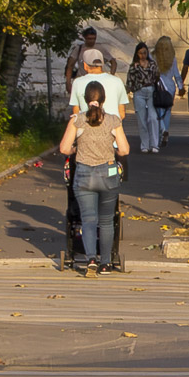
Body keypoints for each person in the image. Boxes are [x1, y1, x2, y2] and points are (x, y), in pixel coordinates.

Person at [58, 81, 129, 277]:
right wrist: (112, 149)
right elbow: (124, 150)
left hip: (84, 175)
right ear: (104, 99)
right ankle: (106, 263)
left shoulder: (77, 120)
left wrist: (75, 149)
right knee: (106, 220)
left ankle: (90, 260)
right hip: (108, 174)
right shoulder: (114, 121)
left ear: (85, 99)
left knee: (88, 219)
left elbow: (64, 148)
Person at [70, 48, 129, 119]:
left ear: (85, 65)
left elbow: (76, 112)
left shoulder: (77, 82)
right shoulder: (117, 81)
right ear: (102, 65)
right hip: (112, 124)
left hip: (87, 124)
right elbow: (122, 113)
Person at [125, 42, 161, 154]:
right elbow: (130, 81)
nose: (143, 55)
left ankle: (154, 144)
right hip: (139, 92)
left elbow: (157, 76)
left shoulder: (152, 64)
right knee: (142, 119)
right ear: (137, 53)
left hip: (151, 91)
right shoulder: (133, 66)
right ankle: (145, 144)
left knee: (153, 118)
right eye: (140, 53)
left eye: (145, 53)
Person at [64, 27, 117, 97]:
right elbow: (70, 65)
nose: (92, 41)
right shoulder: (79, 49)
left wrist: (111, 76)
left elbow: (113, 62)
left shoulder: (99, 48)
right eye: (89, 39)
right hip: (82, 80)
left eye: (94, 39)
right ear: (85, 38)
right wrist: (68, 82)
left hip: (97, 82)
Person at [152, 35, 184, 148]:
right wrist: (181, 87)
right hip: (170, 88)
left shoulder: (152, 57)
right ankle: (165, 131)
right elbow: (177, 75)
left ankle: (161, 131)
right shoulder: (172, 59)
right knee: (167, 111)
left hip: (157, 86)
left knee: (157, 111)